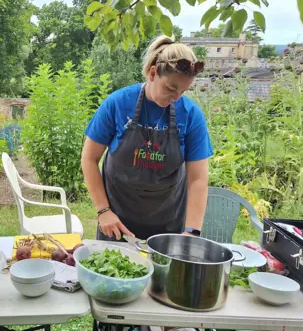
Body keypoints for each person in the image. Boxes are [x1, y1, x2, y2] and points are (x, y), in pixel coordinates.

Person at [82, 36, 213, 331]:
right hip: (118, 224)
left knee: (165, 309)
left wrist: (191, 232)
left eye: (183, 91)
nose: (176, 97)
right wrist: (103, 211)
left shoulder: (191, 116)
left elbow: (198, 179)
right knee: (113, 311)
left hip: (167, 225)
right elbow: (89, 160)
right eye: (170, 88)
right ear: (153, 72)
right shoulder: (118, 103)